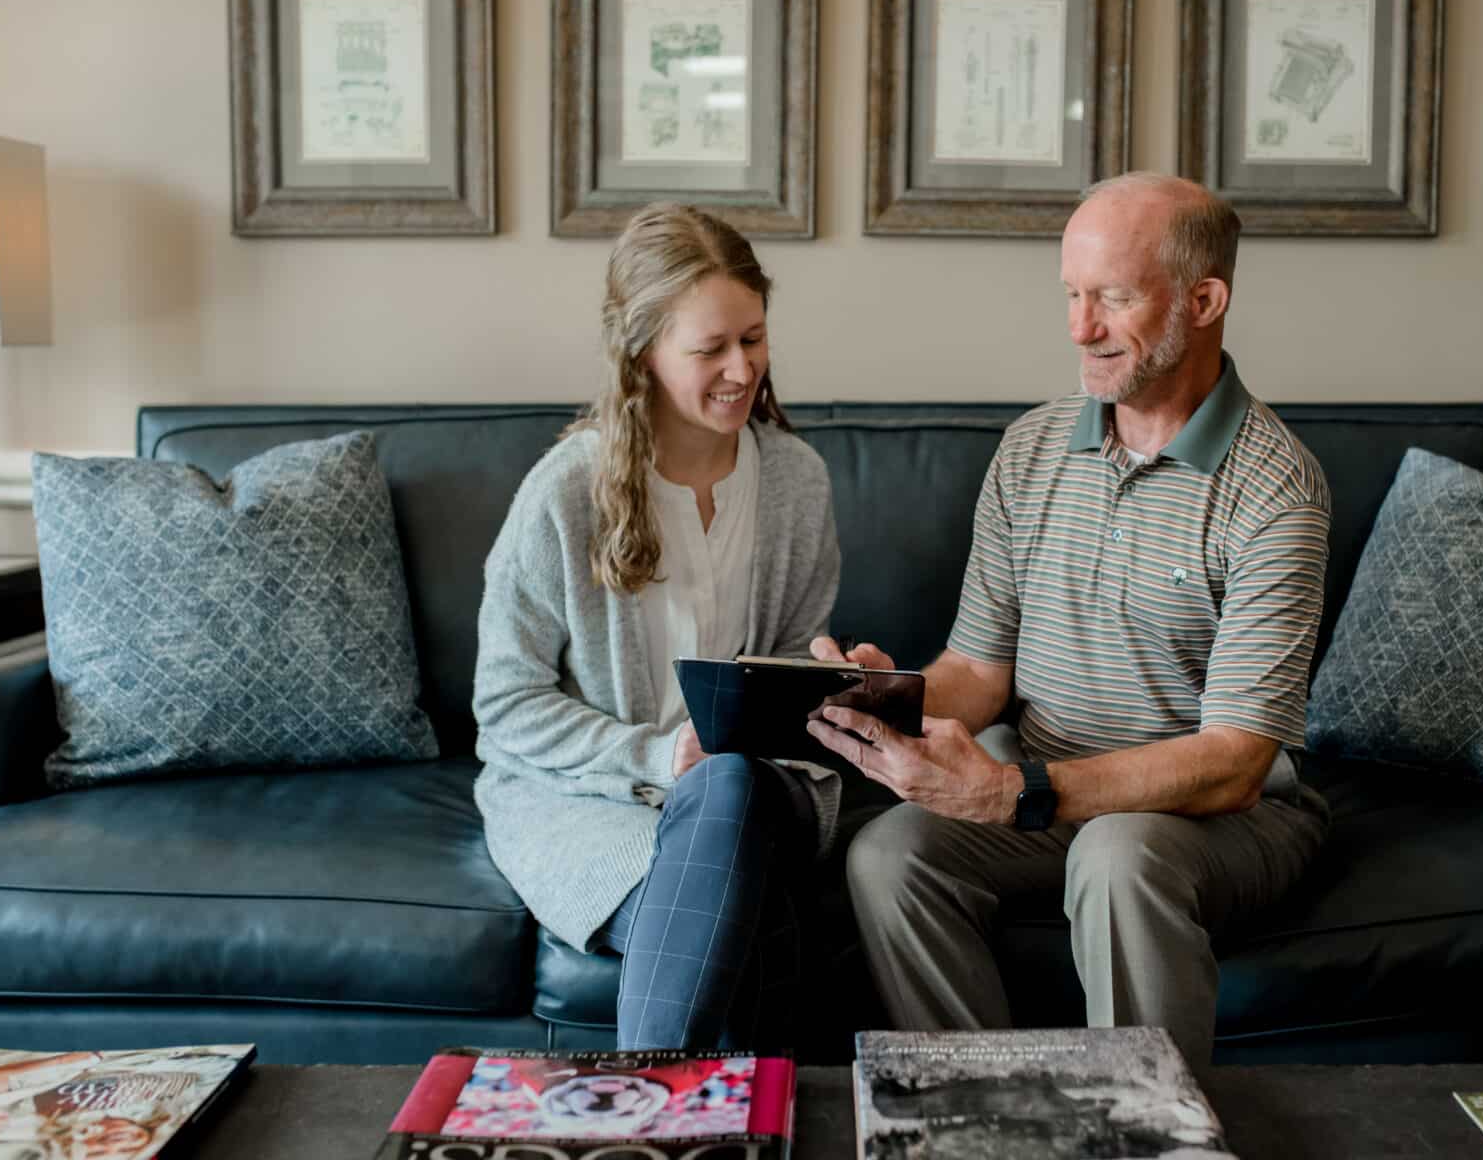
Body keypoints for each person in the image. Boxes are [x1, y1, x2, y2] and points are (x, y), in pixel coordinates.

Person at [805, 172, 1332, 1066]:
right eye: (1072, 295)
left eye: (1114, 298)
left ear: (1204, 301)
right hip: (1049, 795)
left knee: (1118, 857)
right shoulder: (1034, 447)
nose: (1079, 328)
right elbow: (979, 671)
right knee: (888, 855)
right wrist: (876, 699)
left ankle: (1145, 1132)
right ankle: (982, 1110)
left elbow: (1235, 764)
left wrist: (1017, 793)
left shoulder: (1276, 488)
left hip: (1221, 819)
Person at [473, 202, 841, 1051]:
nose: (740, 369)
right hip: (591, 798)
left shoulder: (794, 481)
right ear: (641, 350)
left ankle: (645, 1118)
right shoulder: (566, 492)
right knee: (746, 915)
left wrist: (831, 682)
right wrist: (654, 757)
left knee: (731, 785)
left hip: (761, 789)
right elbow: (507, 704)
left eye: (752, 338)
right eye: (709, 348)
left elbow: (784, 670)